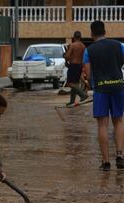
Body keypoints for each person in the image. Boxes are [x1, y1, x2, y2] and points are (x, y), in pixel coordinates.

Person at [83, 20, 124, 171]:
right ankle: (120, 156)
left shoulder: (89, 50)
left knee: (102, 124)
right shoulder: (119, 46)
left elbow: (88, 73)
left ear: (92, 33)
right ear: (105, 31)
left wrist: (90, 84)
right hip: (118, 86)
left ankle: (106, 162)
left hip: (101, 88)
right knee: (118, 121)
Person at [64, 31, 88, 105]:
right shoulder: (83, 46)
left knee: (70, 83)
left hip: (73, 65)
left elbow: (67, 56)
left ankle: (83, 94)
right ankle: (72, 101)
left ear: (74, 37)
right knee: (75, 84)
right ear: (80, 37)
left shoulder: (72, 45)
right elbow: (84, 57)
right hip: (80, 65)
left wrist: (65, 56)